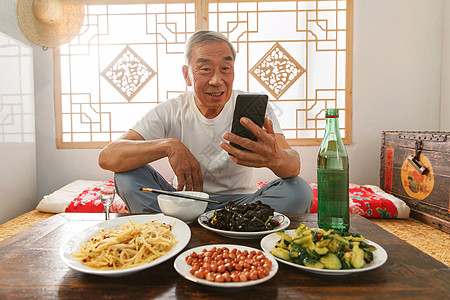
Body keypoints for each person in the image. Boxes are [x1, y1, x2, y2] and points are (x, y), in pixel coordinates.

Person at [98, 30, 313, 214]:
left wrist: (274, 158)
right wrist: (169, 146)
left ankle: (191, 228)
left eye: (225, 69)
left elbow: (293, 164)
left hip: (243, 205)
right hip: (184, 204)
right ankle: (173, 229)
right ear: (187, 75)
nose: (216, 80)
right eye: (205, 69)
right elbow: (108, 156)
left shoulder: (255, 108)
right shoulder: (171, 109)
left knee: (299, 190)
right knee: (126, 174)